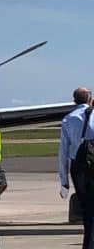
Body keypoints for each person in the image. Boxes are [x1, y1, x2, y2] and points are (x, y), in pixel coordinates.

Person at [59, 86, 94, 249]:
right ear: (89, 99)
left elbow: (63, 152)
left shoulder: (68, 119)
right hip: (92, 164)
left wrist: (64, 181)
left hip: (77, 167)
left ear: (74, 100)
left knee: (87, 209)